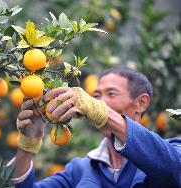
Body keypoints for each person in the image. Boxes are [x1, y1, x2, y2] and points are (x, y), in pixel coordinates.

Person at [12, 66, 181, 187]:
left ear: (141, 103)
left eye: (111, 94)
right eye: (96, 96)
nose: (100, 101)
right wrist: (28, 144)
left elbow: (173, 168)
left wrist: (103, 112)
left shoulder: (171, 150)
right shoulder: (79, 170)